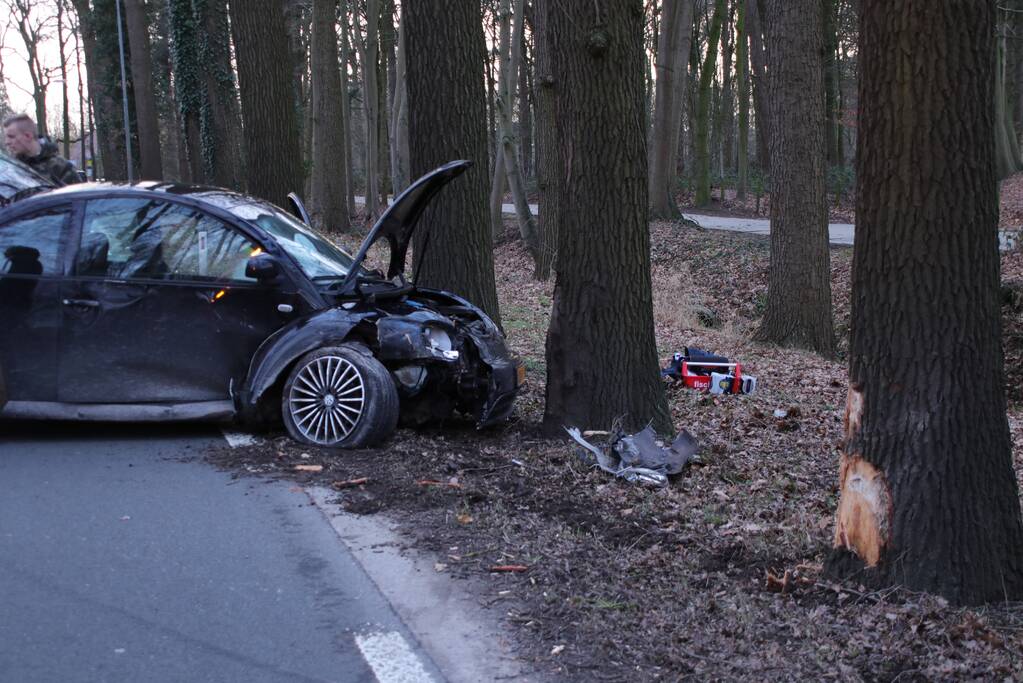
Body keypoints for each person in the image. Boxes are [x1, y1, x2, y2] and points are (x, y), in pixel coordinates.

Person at [3, 114, 80, 186]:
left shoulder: (62, 168)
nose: (7, 142)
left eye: (11, 137)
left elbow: (77, 197)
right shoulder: (12, 168)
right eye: (6, 137)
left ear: (28, 136)